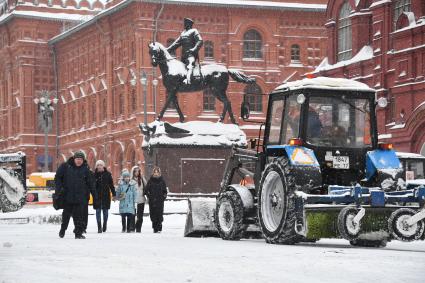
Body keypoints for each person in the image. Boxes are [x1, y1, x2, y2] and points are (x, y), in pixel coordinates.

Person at [55, 151, 95, 239]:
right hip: (67, 196)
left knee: (79, 216)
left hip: (80, 197)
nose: (79, 161)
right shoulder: (65, 166)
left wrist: (95, 195)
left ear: (83, 160)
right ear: (74, 159)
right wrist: (59, 189)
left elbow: (91, 183)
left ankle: (78, 233)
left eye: (81, 159)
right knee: (66, 215)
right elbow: (57, 177)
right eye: (77, 159)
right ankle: (63, 229)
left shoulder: (86, 169)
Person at [167, 17, 203, 84]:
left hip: (191, 55)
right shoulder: (183, 33)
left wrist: (194, 49)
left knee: (190, 66)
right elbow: (176, 44)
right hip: (184, 56)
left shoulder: (194, 31)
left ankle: (188, 81)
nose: (184, 24)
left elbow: (200, 41)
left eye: (185, 23)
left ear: (189, 24)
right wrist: (166, 50)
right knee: (180, 69)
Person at [93, 160, 116, 233]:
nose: (99, 166)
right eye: (98, 165)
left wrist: (114, 194)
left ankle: (105, 223)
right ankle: (99, 227)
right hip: (97, 196)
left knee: (105, 212)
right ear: (96, 167)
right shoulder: (94, 175)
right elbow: (92, 186)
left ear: (103, 166)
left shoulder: (108, 174)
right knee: (98, 211)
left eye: (100, 165)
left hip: (106, 196)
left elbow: (111, 185)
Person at [145, 166, 168, 233]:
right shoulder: (150, 180)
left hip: (160, 201)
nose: (156, 173)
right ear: (153, 173)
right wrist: (149, 196)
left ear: (159, 173)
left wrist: (163, 197)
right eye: (155, 172)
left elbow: (165, 191)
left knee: (159, 214)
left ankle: (159, 227)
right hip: (152, 201)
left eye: (157, 172)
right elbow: (146, 190)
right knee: (153, 214)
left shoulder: (162, 181)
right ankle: (155, 228)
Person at [131, 166, 147, 233]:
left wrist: (147, 196)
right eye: (135, 171)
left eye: (138, 171)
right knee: (132, 215)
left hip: (141, 200)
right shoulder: (130, 180)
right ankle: (132, 228)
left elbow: (146, 187)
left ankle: (138, 228)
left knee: (140, 216)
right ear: (133, 172)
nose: (137, 172)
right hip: (132, 200)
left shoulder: (142, 179)